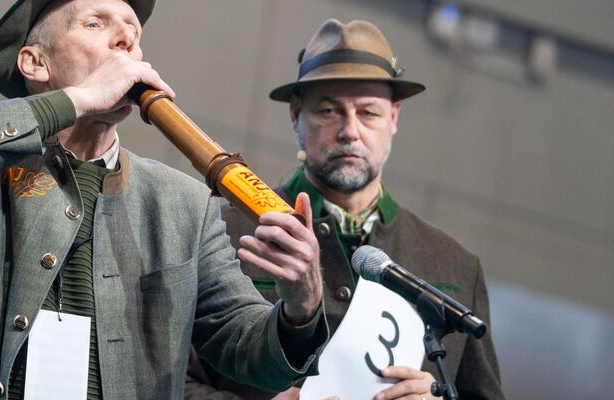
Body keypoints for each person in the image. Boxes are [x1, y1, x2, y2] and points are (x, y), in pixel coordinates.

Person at [0, 1, 329, 399]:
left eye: (133, 36)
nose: (125, 41)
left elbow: (246, 349)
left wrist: (301, 305)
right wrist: (79, 98)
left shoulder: (185, 204)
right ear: (35, 62)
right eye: (95, 23)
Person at [185, 19, 505, 400]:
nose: (350, 131)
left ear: (394, 117)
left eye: (368, 112)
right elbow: (163, 380)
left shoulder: (456, 266)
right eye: (329, 111)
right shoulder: (220, 231)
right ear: (295, 115)